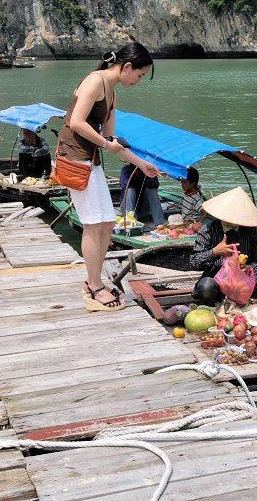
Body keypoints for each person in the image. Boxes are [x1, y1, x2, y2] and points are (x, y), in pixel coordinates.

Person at [56, 41, 160, 312]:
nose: (138, 80)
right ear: (127, 67)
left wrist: (141, 163)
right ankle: (93, 286)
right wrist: (104, 143)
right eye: (139, 75)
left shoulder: (111, 92)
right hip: (75, 158)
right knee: (93, 223)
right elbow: (76, 122)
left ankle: (96, 281)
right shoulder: (94, 81)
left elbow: (112, 139)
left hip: (91, 159)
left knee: (105, 222)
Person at [189, 185, 257, 306]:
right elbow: (194, 263)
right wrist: (215, 252)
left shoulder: (252, 232)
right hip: (215, 284)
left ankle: (247, 304)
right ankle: (214, 307)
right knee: (206, 287)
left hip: (243, 285)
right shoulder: (207, 230)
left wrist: (249, 268)